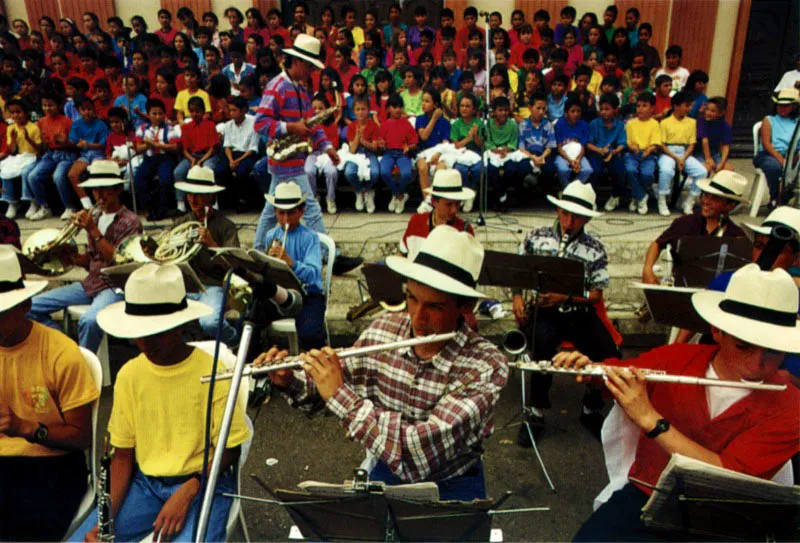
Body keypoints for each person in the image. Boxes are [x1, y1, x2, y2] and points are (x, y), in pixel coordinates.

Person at [255, 225, 508, 501]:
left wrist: (340, 395)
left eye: (435, 307)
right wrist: (292, 380)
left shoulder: (486, 366)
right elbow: (331, 390)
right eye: (412, 299)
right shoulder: (383, 329)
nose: (418, 318)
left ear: (465, 308)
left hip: (453, 484)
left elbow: (415, 456)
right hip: (387, 471)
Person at [564, 264, 800, 541]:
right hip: (648, 492)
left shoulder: (791, 407)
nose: (758, 363)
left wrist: (652, 421)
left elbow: (727, 478)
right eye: (744, 345)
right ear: (718, 330)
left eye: (773, 350)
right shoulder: (676, 358)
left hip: (724, 517)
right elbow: (622, 373)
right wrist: (589, 370)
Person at [68, 263, 250, 542]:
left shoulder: (214, 371)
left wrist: (190, 488)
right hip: (146, 484)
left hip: (203, 482)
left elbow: (230, 448)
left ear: (181, 324)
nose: (147, 343)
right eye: (140, 333)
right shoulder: (130, 374)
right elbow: (123, 456)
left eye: (159, 332)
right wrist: (104, 522)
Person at [0, 246, 98, 542]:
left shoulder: (59, 352)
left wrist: (28, 429)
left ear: (25, 305)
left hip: (51, 463)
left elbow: (82, 437)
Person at [512, 181, 618, 444]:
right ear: (558, 211)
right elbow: (518, 273)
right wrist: (516, 297)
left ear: (586, 219)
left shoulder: (596, 248)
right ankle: (535, 412)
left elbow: (596, 295)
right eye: (565, 213)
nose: (570, 221)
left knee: (608, 352)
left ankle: (591, 407)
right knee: (541, 344)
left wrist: (565, 297)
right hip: (545, 312)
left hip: (578, 312)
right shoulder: (536, 236)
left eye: (577, 217)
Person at [252, 35, 361, 275]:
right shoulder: (277, 86)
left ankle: (257, 254)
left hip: (293, 158)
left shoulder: (300, 89)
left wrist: (328, 147)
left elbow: (313, 124)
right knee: (309, 207)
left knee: (272, 210)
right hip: (283, 159)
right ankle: (329, 256)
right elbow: (260, 124)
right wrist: (291, 128)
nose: (312, 71)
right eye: (310, 66)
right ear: (298, 62)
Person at [28, 160, 142, 352]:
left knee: (90, 321)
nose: (98, 195)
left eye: (104, 189)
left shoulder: (131, 221)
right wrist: (72, 258)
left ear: (116, 190)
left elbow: (119, 261)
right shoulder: (96, 217)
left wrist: (93, 230)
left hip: (115, 286)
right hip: (91, 283)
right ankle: (67, 348)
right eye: (95, 190)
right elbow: (93, 260)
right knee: (30, 307)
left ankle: (84, 367)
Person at [173, 166, 241, 346]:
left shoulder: (226, 226)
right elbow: (168, 259)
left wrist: (212, 245)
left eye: (199, 194)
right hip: (184, 287)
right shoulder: (181, 223)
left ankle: (236, 341)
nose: (192, 199)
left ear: (211, 196)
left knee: (210, 323)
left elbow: (235, 267)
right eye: (189, 194)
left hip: (212, 287)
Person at [641, 170, 748, 285]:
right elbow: (657, 244)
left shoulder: (737, 235)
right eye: (705, 195)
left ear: (730, 205)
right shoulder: (685, 223)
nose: (706, 201)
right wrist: (647, 269)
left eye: (715, 199)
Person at [256, 182, 326, 350]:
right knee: (249, 321)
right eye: (281, 213)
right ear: (275, 212)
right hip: (280, 293)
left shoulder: (311, 237)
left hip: (308, 295)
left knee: (310, 334)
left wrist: (291, 263)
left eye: (291, 213)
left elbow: (314, 274)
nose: (286, 219)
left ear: (301, 211)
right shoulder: (271, 235)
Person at [399, 169, 476, 259]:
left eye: (458, 203)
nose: (454, 210)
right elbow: (402, 255)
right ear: (433, 201)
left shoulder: (465, 230)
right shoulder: (416, 222)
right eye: (449, 204)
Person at [657, 91, 709, 216]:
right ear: (676, 106)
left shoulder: (692, 122)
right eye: (687, 105)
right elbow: (662, 144)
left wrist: (683, 158)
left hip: (684, 152)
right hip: (668, 153)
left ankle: (689, 201)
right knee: (666, 170)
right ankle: (662, 199)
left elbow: (692, 144)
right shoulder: (665, 122)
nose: (689, 108)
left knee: (702, 172)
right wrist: (675, 158)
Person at [754, 88, 799, 207]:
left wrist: (791, 161)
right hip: (768, 155)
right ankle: (776, 199)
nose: (782, 108)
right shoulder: (769, 120)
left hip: (790, 157)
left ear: (794, 106)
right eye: (779, 105)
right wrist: (782, 160)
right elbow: (766, 144)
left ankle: (787, 198)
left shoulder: (797, 122)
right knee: (774, 167)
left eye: (786, 105)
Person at [379, 93, 418, 214]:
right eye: (394, 107)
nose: (397, 109)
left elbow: (414, 142)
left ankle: (398, 194)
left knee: (406, 174)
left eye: (399, 107)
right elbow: (380, 142)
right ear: (388, 109)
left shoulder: (406, 123)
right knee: (384, 172)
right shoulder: (385, 124)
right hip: (388, 153)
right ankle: (398, 194)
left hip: (402, 154)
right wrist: (381, 144)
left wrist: (408, 146)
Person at [588, 93, 627, 211]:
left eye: (607, 109)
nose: (603, 112)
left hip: (613, 154)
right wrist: (599, 150)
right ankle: (591, 198)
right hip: (596, 152)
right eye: (602, 109)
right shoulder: (594, 123)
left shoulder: (619, 125)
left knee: (620, 171)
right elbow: (588, 144)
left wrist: (613, 152)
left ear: (615, 110)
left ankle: (614, 197)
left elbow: (622, 144)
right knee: (594, 171)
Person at [624, 92, 660, 214]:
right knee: (630, 170)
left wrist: (648, 151)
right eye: (638, 106)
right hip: (633, 153)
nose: (640, 109)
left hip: (648, 154)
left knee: (647, 174)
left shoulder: (655, 124)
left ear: (652, 109)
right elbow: (627, 141)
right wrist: (632, 146)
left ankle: (636, 197)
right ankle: (641, 197)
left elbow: (655, 143)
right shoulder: (631, 123)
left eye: (644, 106)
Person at [554, 97, 592, 187]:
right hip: (563, 155)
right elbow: (559, 147)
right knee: (563, 170)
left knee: (587, 170)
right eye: (572, 111)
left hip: (579, 155)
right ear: (566, 113)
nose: (576, 114)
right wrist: (570, 161)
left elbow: (583, 146)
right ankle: (565, 189)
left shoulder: (584, 125)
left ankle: (573, 189)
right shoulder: (560, 124)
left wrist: (578, 160)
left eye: (578, 111)